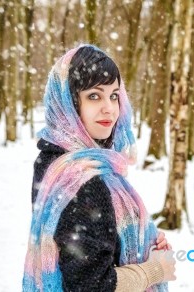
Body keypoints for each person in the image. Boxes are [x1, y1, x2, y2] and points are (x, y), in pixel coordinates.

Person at [22, 44, 176, 292]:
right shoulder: (82, 180)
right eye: (94, 95)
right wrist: (154, 270)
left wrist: (141, 241)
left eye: (114, 95)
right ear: (68, 103)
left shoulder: (52, 159)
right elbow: (90, 286)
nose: (109, 108)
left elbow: (79, 253)